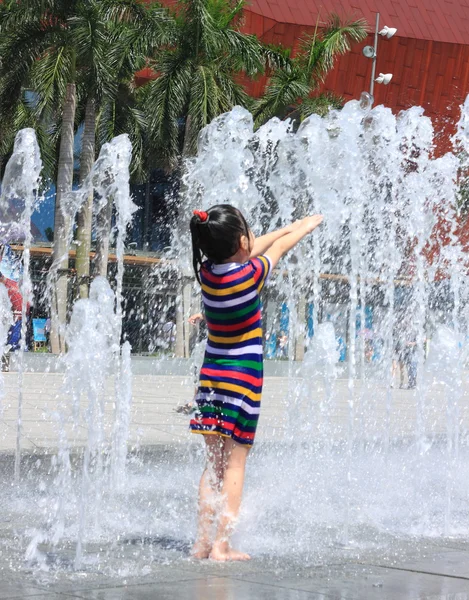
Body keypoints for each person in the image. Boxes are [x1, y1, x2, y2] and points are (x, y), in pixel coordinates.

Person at [189, 204, 323, 561]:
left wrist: (281, 228)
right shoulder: (249, 275)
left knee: (213, 464)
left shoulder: (205, 273)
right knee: (236, 463)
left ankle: (202, 542)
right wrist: (302, 228)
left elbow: (254, 245)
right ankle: (222, 545)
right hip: (243, 380)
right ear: (241, 243)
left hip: (212, 378)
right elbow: (276, 249)